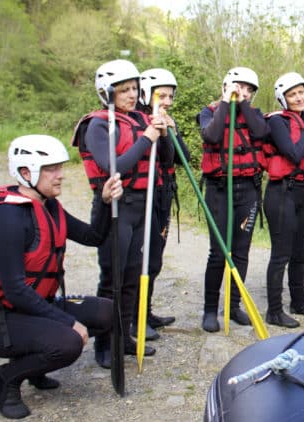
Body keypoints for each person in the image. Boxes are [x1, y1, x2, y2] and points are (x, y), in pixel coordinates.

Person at [0, 135, 122, 419]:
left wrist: (103, 200)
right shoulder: (6, 219)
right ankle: (7, 378)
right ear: (26, 173)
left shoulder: (48, 204)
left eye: (60, 167)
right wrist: (69, 322)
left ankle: (36, 367)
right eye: (51, 169)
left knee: (106, 312)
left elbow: (94, 236)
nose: (60, 175)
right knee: (69, 341)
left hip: (32, 308)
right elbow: (14, 289)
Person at [72, 59, 171, 362]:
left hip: (143, 206)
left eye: (134, 89)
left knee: (131, 277)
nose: (131, 94)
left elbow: (165, 161)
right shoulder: (98, 125)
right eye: (123, 90)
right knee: (112, 279)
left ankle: (123, 336)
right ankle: (104, 345)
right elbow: (116, 166)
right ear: (107, 93)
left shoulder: (142, 120)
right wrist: (147, 138)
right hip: (115, 207)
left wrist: (163, 134)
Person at [197, 67, 268, 332]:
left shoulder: (255, 115)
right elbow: (212, 135)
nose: (244, 92)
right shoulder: (209, 112)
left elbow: (261, 133)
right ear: (226, 86)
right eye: (239, 86)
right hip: (219, 189)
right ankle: (209, 310)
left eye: (249, 89)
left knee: (241, 252)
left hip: (247, 189)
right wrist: (228, 101)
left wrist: (244, 105)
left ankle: (234, 305)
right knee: (218, 252)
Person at [262, 72, 304, 328]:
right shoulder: (278, 122)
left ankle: (298, 302)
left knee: (302, 250)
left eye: (301, 92)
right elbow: (293, 153)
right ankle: (274, 310)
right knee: (282, 253)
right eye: (292, 94)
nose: (299, 97)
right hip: (282, 192)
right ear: (283, 98)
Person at [134, 67, 191, 340]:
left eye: (170, 96)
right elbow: (162, 157)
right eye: (162, 95)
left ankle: (146, 312)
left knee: (154, 258)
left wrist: (172, 131)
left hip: (163, 194)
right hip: (144, 195)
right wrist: (161, 132)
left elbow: (182, 158)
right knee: (141, 259)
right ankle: (134, 318)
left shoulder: (168, 120)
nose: (167, 102)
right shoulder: (138, 122)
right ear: (147, 94)